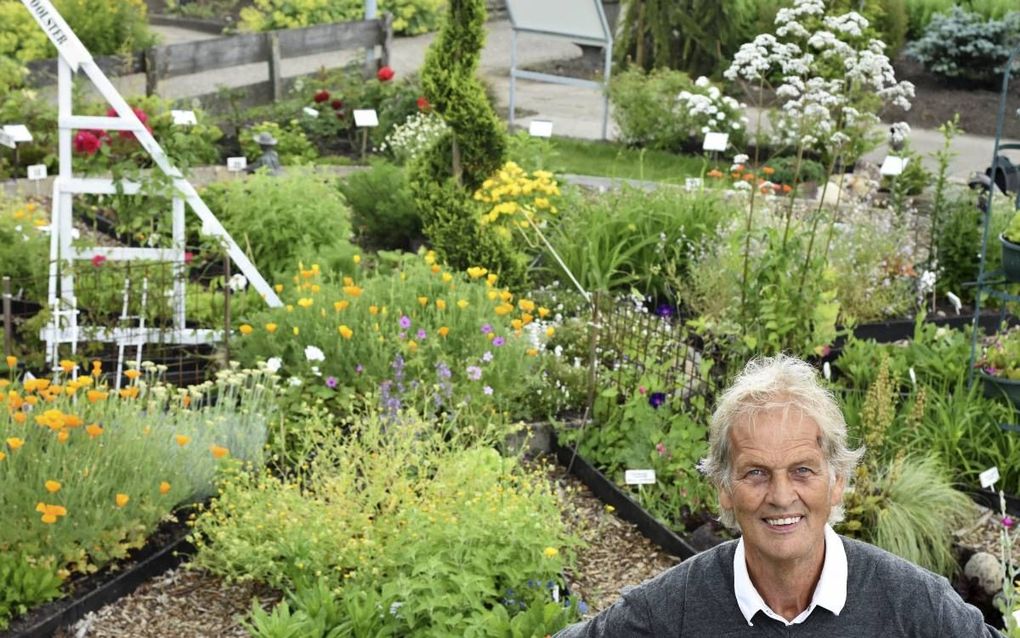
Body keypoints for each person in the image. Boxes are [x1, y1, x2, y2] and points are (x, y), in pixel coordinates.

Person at [555, 354, 1002, 637]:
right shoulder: (676, 606)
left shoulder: (912, 603)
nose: (781, 495)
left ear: (838, 480)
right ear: (724, 490)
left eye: (802, 471)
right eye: (756, 473)